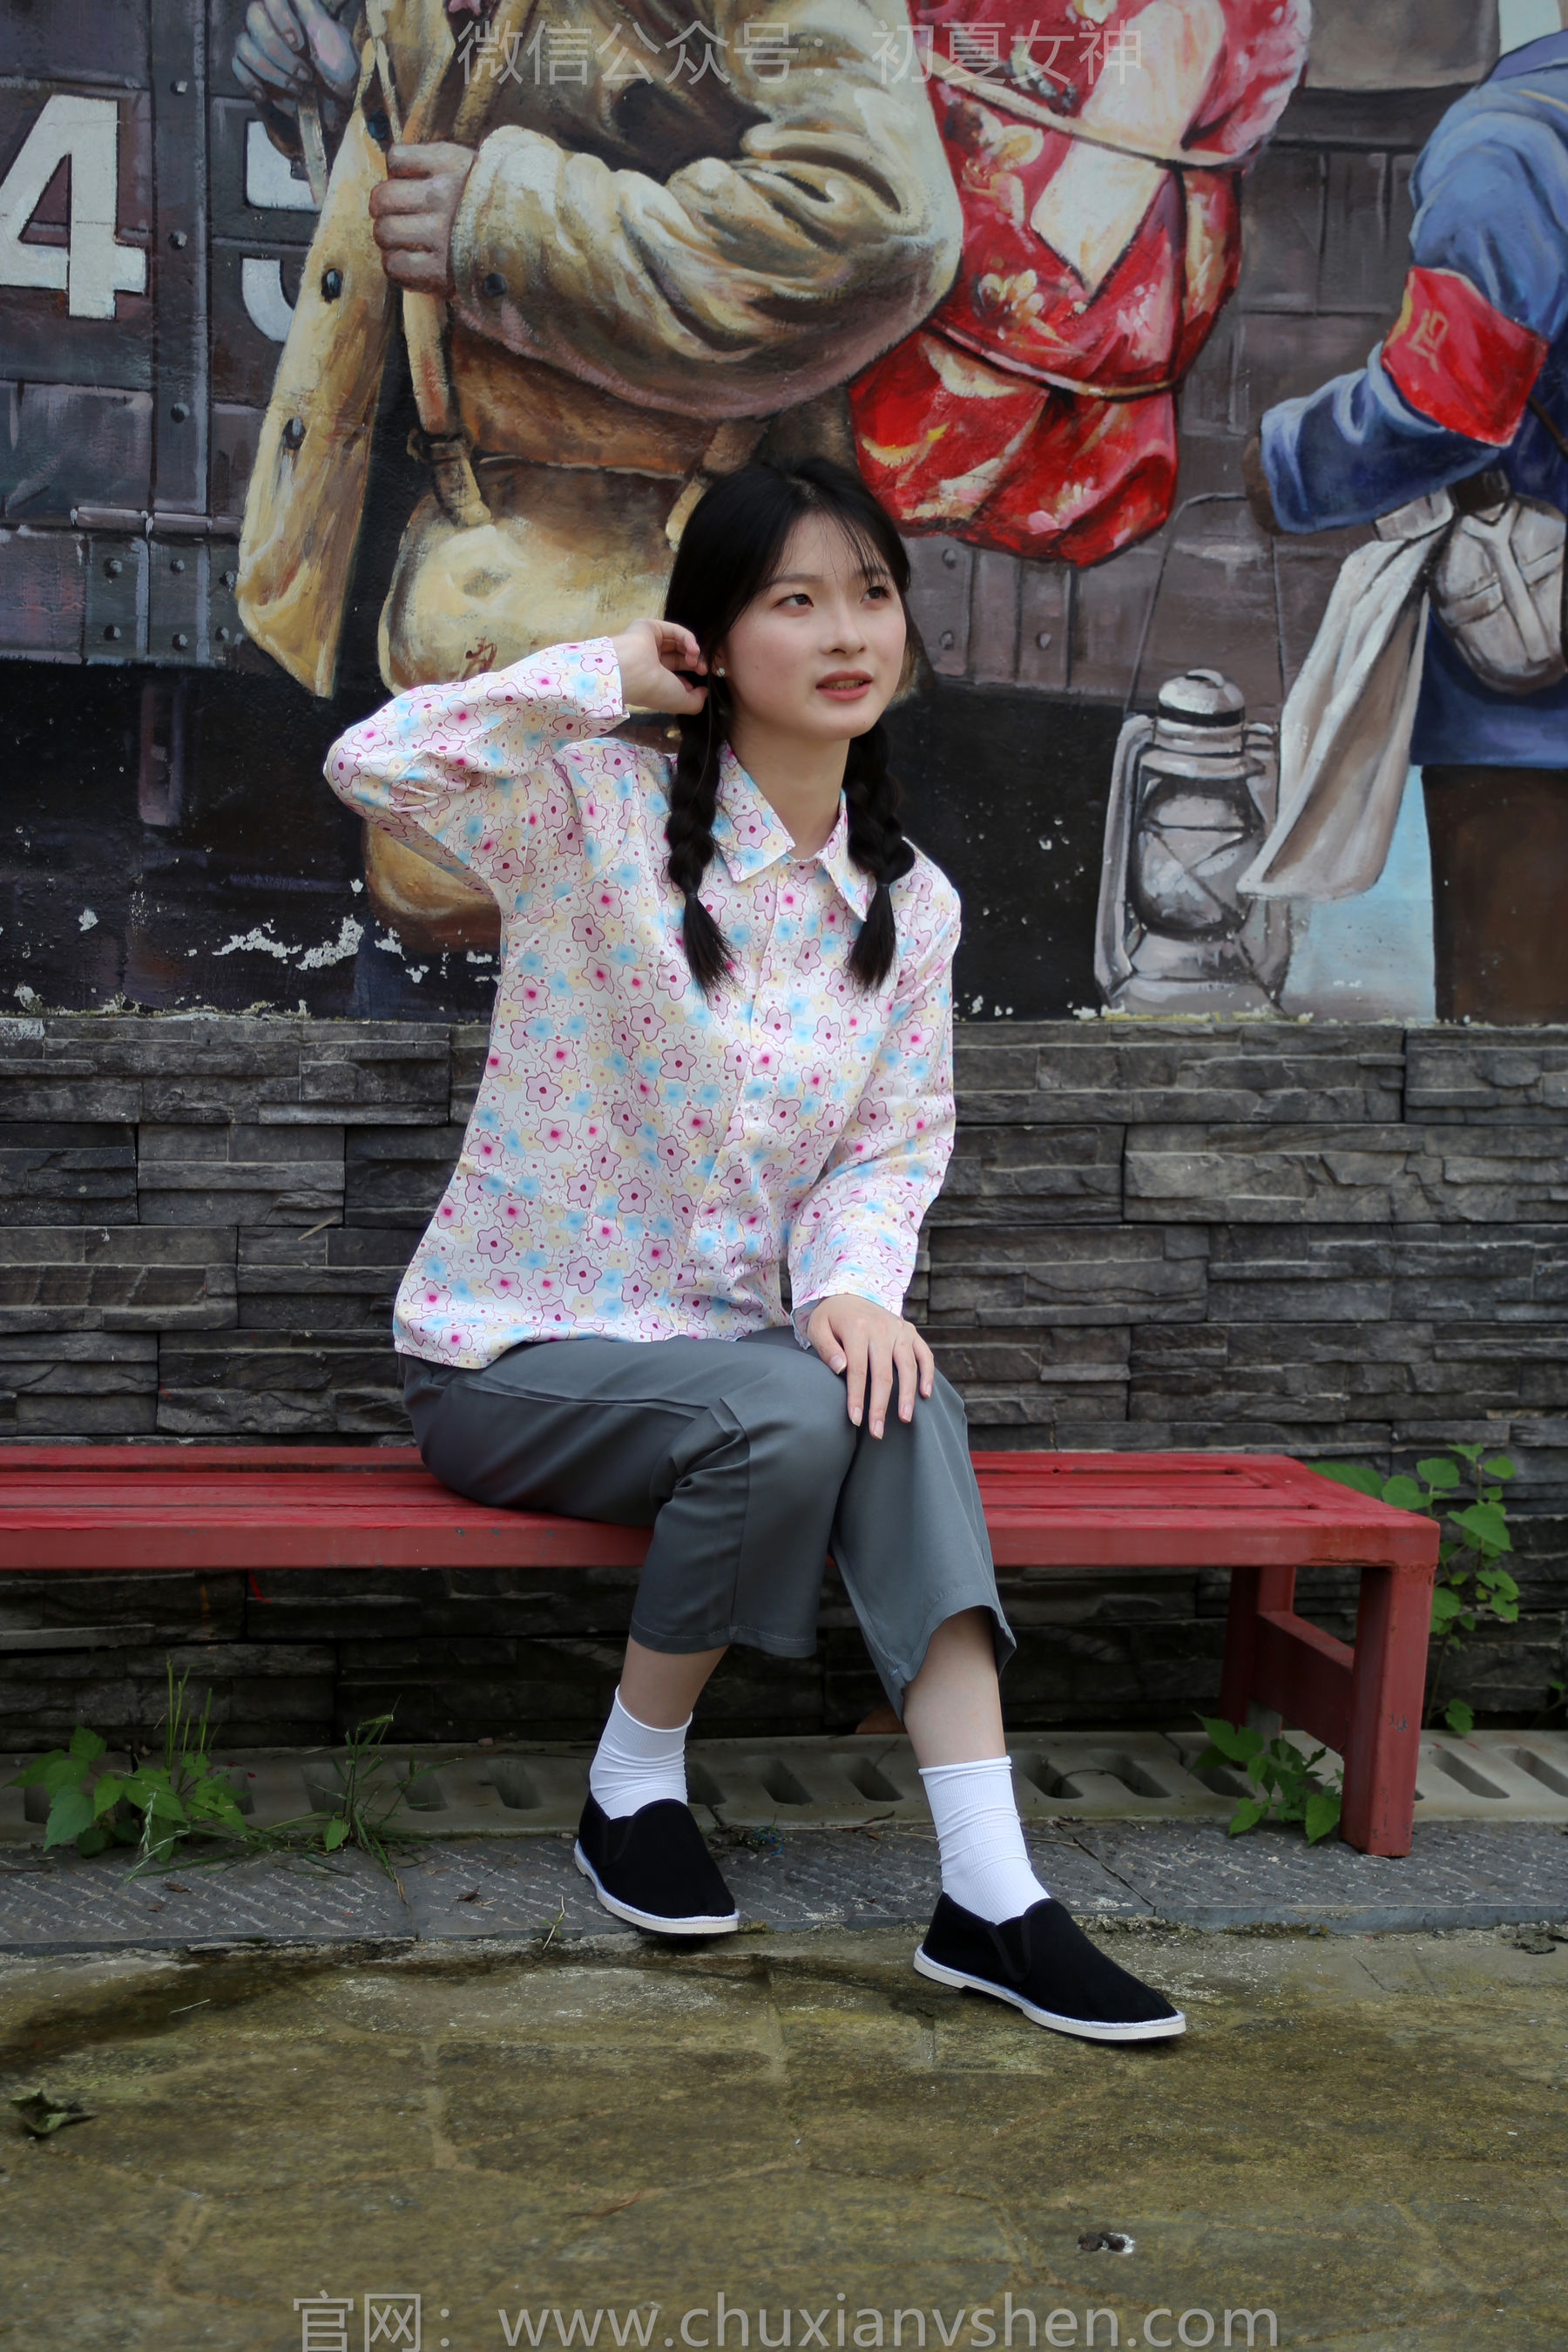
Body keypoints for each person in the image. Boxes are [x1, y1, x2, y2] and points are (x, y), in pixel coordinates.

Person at [322, 455, 1184, 2043]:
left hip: (733, 1368)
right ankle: (631, 1784)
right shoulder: (591, 813)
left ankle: (994, 1896)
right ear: (713, 638)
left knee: (897, 1398)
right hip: (511, 1361)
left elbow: (890, 1144)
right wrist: (599, 674)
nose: (849, 632)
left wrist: (852, 1289)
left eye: (872, 594)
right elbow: (373, 766)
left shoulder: (910, 906)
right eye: (796, 600)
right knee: (790, 1405)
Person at [232, 0, 963, 954]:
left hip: (677, 713)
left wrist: (504, 227)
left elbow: (876, 225)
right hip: (461, 677)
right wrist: (348, 90)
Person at [1246, 12, 1568, 1023]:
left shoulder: (1517, 141)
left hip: (1537, 703)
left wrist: (1289, 464)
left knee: (1521, 1059)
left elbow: (1449, 402)